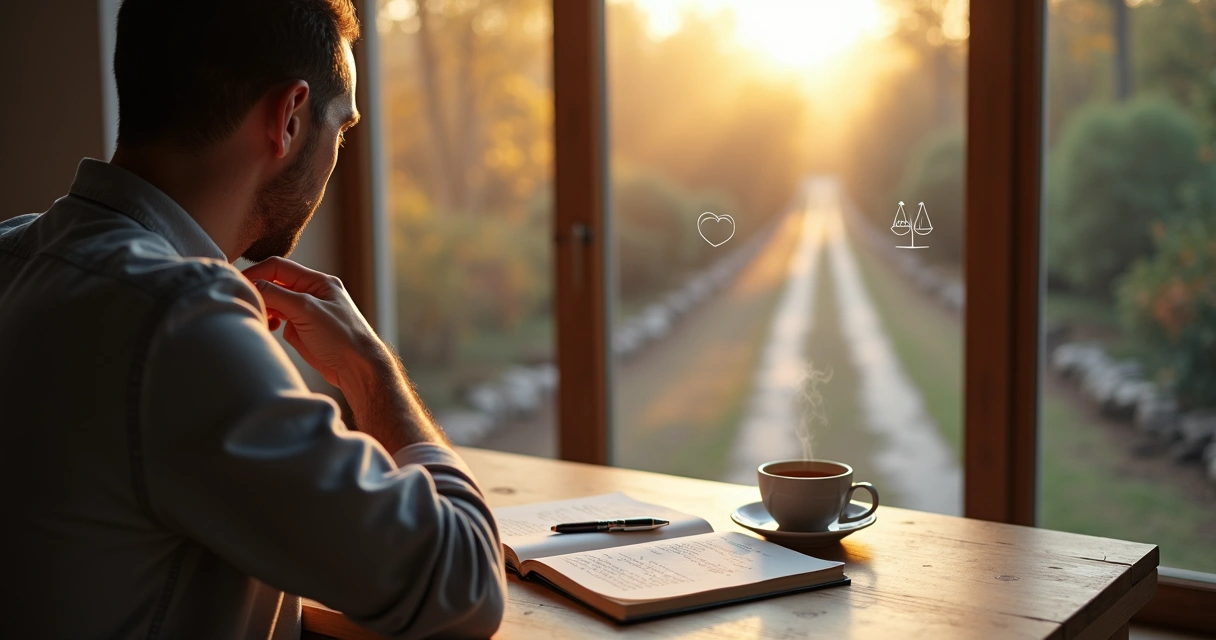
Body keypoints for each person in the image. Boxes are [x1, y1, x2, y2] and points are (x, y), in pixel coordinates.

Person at [0, 1, 506, 638]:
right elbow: (462, 586)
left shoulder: (14, 255)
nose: (336, 153)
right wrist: (371, 372)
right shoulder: (176, 319)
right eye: (341, 130)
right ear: (289, 117)